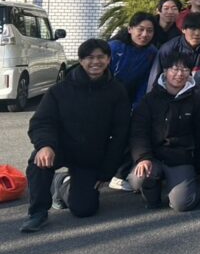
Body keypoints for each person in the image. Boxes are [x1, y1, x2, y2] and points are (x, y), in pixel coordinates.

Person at [20, 39, 130, 233]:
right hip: (60, 149)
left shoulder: (117, 91)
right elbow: (41, 122)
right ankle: (38, 212)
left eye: (100, 57)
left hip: (90, 157)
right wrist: (45, 145)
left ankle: (63, 183)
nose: (95, 62)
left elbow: (120, 134)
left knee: (84, 209)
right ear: (80, 60)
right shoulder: (60, 90)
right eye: (89, 57)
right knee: (38, 160)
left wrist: (107, 170)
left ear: (108, 59)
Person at [128, 54, 200, 211]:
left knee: (183, 204)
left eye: (185, 69)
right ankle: (152, 193)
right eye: (175, 69)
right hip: (154, 156)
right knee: (138, 178)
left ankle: (189, 184)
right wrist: (143, 157)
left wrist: (199, 166)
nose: (179, 74)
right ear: (165, 71)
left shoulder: (197, 100)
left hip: (181, 158)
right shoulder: (150, 99)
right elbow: (138, 132)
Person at [150, 12, 200, 107]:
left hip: (198, 100)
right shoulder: (169, 48)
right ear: (183, 29)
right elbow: (156, 78)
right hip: (170, 99)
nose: (197, 33)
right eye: (193, 29)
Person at [109, 12, 158, 108]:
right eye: (140, 29)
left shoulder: (152, 53)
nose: (144, 34)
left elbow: (146, 82)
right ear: (130, 29)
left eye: (149, 31)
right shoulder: (113, 47)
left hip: (129, 102)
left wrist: (138, 106)